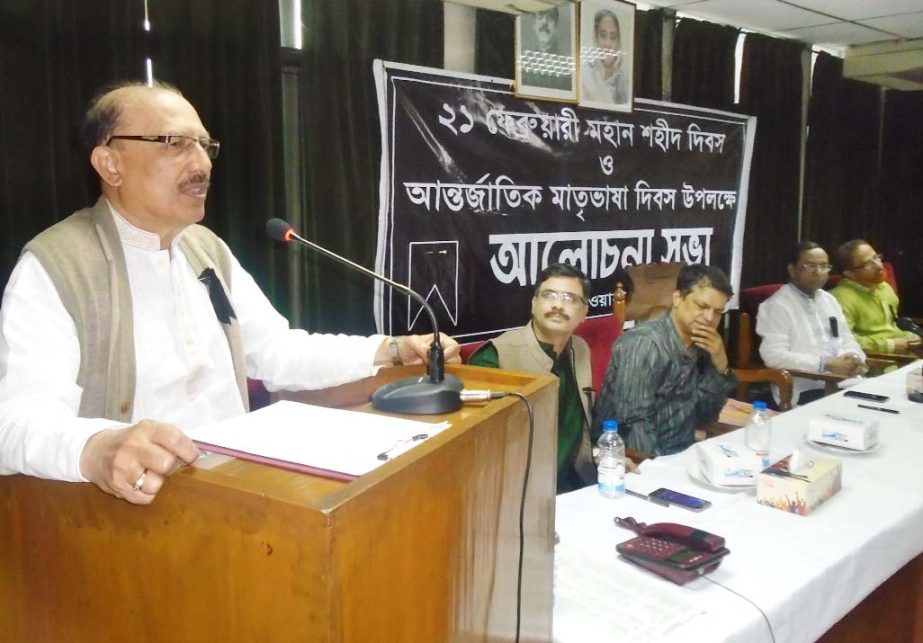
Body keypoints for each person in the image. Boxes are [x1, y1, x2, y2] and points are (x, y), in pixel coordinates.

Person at [0, 80, 459, 505]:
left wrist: (390, 349)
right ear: (110, 164)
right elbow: (15, 423)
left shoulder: (206, 250)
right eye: (175, 144)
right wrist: (96, 447)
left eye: (205, 146)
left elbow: (276, 352)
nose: (201, 164)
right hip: (136, 514)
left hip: (237, 490)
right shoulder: (58, 267)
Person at [468, 263, 596, 493]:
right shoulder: (496, 357)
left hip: (577, 484)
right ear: (533, 304)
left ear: (584, 312)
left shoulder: (581, 349)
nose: (558, 305)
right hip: (518, 492)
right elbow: (479, 449)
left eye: (569, 298)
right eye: (549, 295)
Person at [595, 264, 737, 457]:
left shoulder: (705, 344)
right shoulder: (644, 344)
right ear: (677, 298)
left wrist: (721, 367)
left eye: (718, 312)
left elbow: (706, 416)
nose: (709, 318)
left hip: (682, 452)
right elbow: (635, 425)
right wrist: (661, 471)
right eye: (702, 307)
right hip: (631, 460)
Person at [756, 242, 866, 406]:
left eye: (824, 266)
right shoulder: (777, 305)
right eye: (810, 266)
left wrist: (854, 357)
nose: (819, 272)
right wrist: (825, 364)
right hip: (804, 390)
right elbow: (773, 356)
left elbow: (847, 338)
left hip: (843, 382)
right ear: (792, 269)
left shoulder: (829, 300)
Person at [830, 239, 921, 354]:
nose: (878, 265)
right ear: (850, 274)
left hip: (904, 355)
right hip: (878, 362)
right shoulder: (840, 299)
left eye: (876, 257)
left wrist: (910, 336)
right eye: (867, 263)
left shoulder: (884, 288)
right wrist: (888, 345)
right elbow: (843, 341)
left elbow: (892, 326)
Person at [580, 9, 629, 106]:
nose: (608, 44)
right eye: (603, 36)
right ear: (595, 38)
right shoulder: (584, 76)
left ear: (618, 42)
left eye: (613, 37)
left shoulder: (623, 81)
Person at [521, 8, 572, 91]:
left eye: (550, 17)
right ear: (534, 24)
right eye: (540, 16)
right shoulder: (523, 65)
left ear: (557, 26)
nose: (544, 22)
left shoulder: (567, 67)